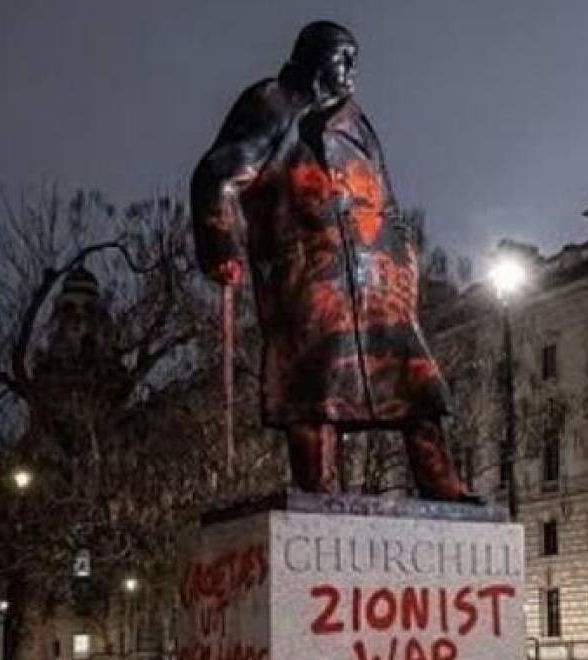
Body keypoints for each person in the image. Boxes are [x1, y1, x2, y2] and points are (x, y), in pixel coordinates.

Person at [191, 21, 471, 501]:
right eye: (343, 58)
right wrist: (221, 245)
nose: (351, 71)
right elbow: (218, 173)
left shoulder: (358, 123)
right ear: (314, 59)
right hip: (309, 275)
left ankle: (441, 483)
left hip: (378, 283)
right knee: (313, 390)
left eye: (354, 60)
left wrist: (404, 261)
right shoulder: (272, 104)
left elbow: (388, 200)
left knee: (416, 383)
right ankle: (317, 489)